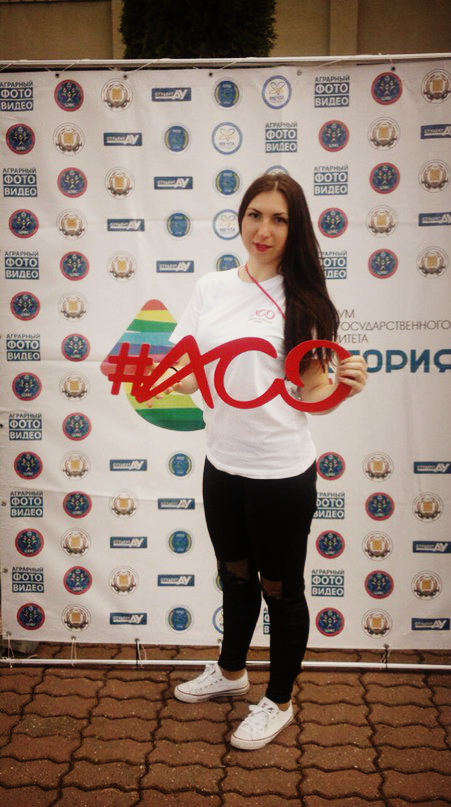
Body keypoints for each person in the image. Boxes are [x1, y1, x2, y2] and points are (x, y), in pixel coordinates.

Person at [148, 173, 367, 750]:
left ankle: (279, 701)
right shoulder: (212, 286)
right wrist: (168, 378)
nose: (263, 229)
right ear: (240, 218)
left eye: (278, 219)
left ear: (295, 229)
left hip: (280, 472)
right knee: (235, 576)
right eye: (255, 215)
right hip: (222, 463)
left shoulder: (305, 301)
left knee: (280, 589)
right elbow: (187, 366)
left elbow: (312, 394)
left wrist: (345, 388)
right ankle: (230, 672)